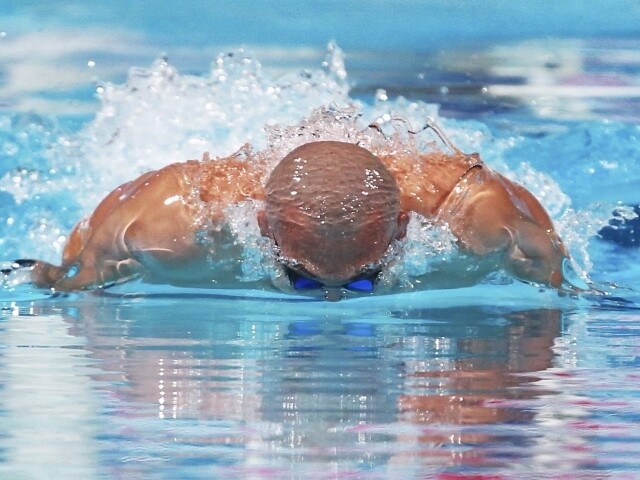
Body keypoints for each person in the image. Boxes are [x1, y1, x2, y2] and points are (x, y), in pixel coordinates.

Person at [5, 122, 581, 299]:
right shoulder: (171, 223)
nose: (334, 300)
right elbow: (75, 272)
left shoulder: (476, 215)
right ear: (259, 226)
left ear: (404, 227)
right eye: (300, 278)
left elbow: (561, 275)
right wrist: (49, 276)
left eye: (365, 279)